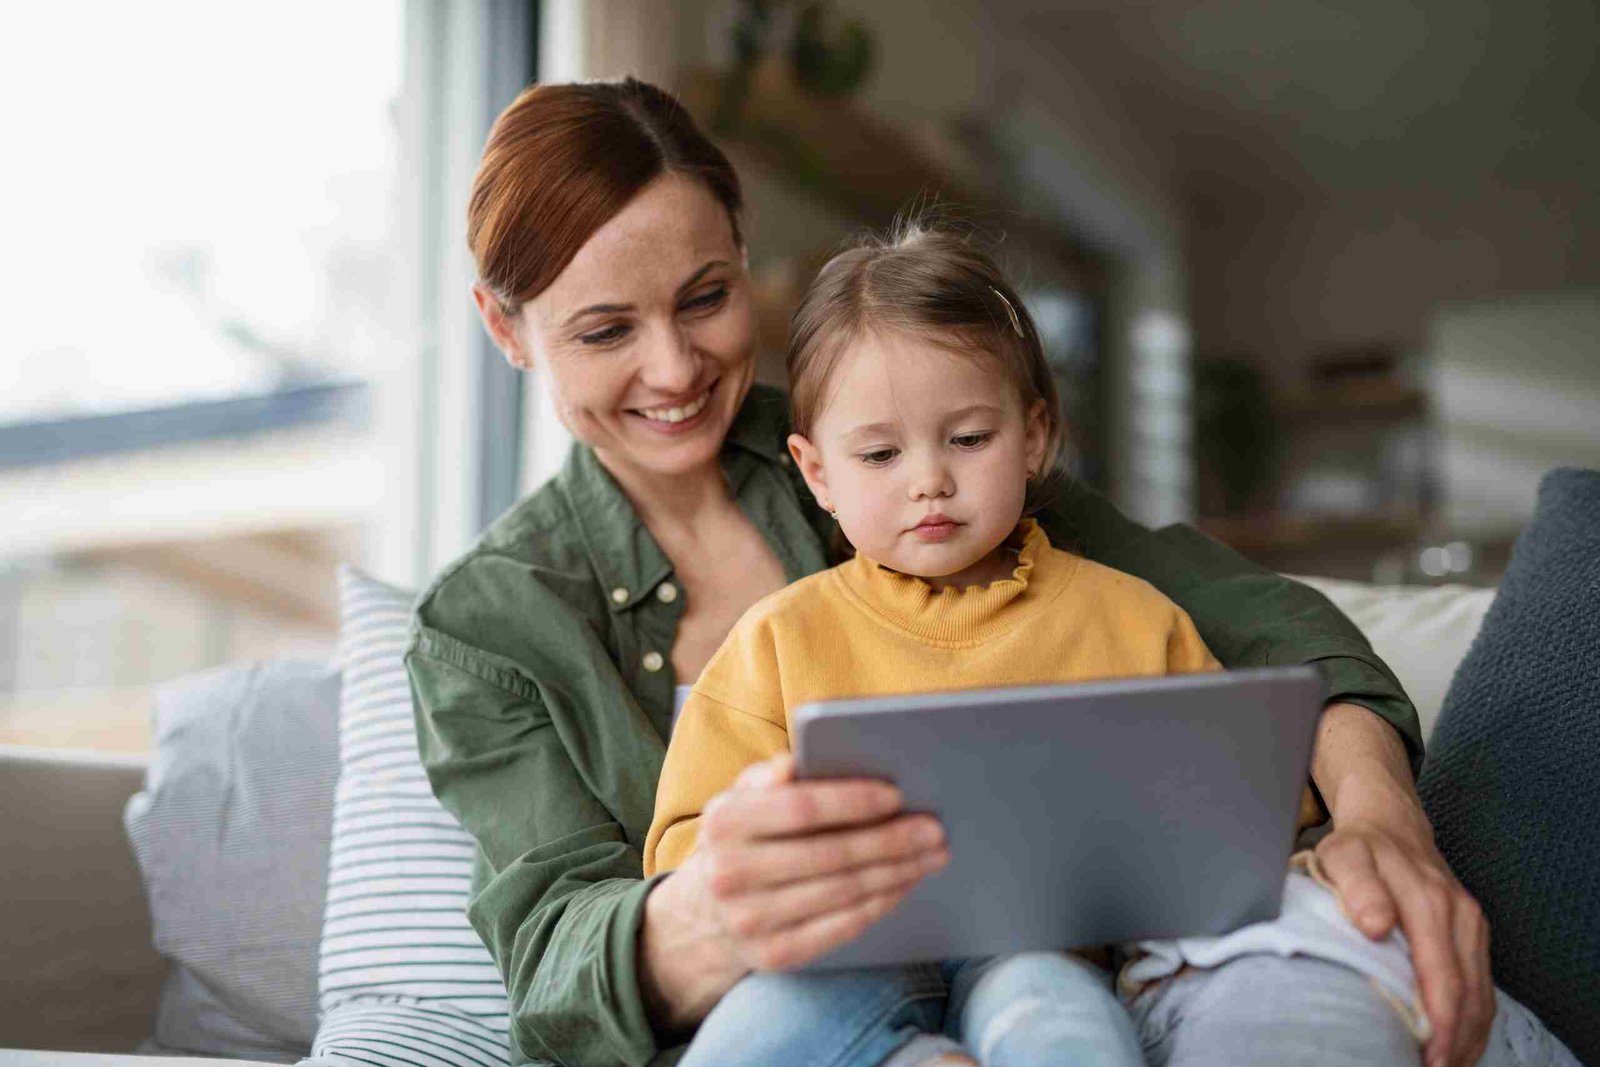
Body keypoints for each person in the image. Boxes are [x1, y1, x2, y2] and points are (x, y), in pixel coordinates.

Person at [406, 77, 1559, 1067]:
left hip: (1043, 960)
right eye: (604, 330)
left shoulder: (921, 427)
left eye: (706, 298)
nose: (674, 365)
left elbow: (1267, 631)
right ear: (506, 331)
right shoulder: (488, 626)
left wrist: (1378, 813)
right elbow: (554, 958)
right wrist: (708, 907)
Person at [642, 221, 1222, 1067]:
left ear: (1036, 435)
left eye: (969, 439)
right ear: (817, 475)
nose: (928, 480)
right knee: (749, 1039)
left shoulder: (1136, 622)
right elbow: (684, 854)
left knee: (1058, 1023)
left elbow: (1231, 816)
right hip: (839, 961)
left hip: (1044, 951)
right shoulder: (775, 641)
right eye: (879, 453)